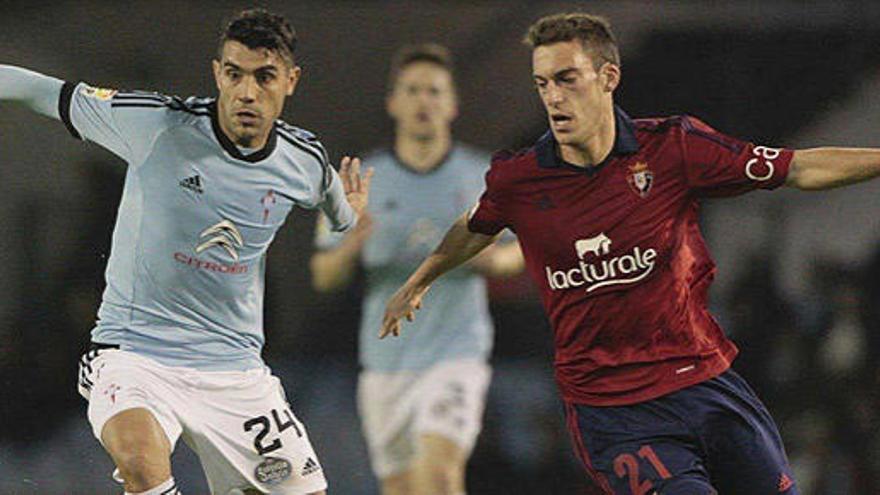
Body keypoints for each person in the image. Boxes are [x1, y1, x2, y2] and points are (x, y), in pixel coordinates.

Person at [381, 12, 880, 495]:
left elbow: (799, 169)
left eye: (567, 79)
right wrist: (419, 280)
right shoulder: (520, 179)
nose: (553, 97)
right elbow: (475, 227)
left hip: (705, 382)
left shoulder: (673, 148)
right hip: (615, 412)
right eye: (542, 84)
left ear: (608, 77)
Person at [0, 8, 372, 495]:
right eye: (234, 74)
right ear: (218, 73)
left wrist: (350, 213)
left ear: (291, 81)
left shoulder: (303, 162)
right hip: (135, 355)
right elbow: (40, 91)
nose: (246, 92)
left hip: (235, 372)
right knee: (140, 460)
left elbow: (341, 217)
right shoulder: (156, 124)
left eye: (264, 78)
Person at [310, 44, 523, 495]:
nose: (423, 100)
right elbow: (324, 277)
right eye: (412, 90)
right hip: (385, 362)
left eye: (434, 91)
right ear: (393, 102)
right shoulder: (360, 180)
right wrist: (351, 246)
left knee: (440, 477)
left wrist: (485, 257)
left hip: (456, 354)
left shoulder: (481, 175)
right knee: (403, 489)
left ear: (452, 104)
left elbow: (518, 255)